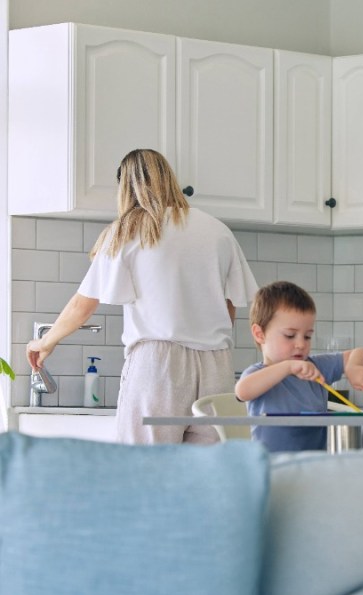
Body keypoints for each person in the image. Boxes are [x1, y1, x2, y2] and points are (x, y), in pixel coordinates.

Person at [25, 149, 258, 444]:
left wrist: (45, 342)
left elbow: (83, 305)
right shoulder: (218, 231)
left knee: (146, 472)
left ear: (125, 186)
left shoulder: (129, 229)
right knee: (206, 475)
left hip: (158, 367)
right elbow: (229, 307)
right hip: (217, 365)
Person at [235, 281, 363, 452]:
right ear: (259, 334)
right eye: (290, 335)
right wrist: (288, 367)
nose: (301, 344)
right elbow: (242, 391)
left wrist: (352, 367)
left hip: (315, 466)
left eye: (307, 336)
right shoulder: (258, 373)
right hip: (273, 469)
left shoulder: (315, 366)